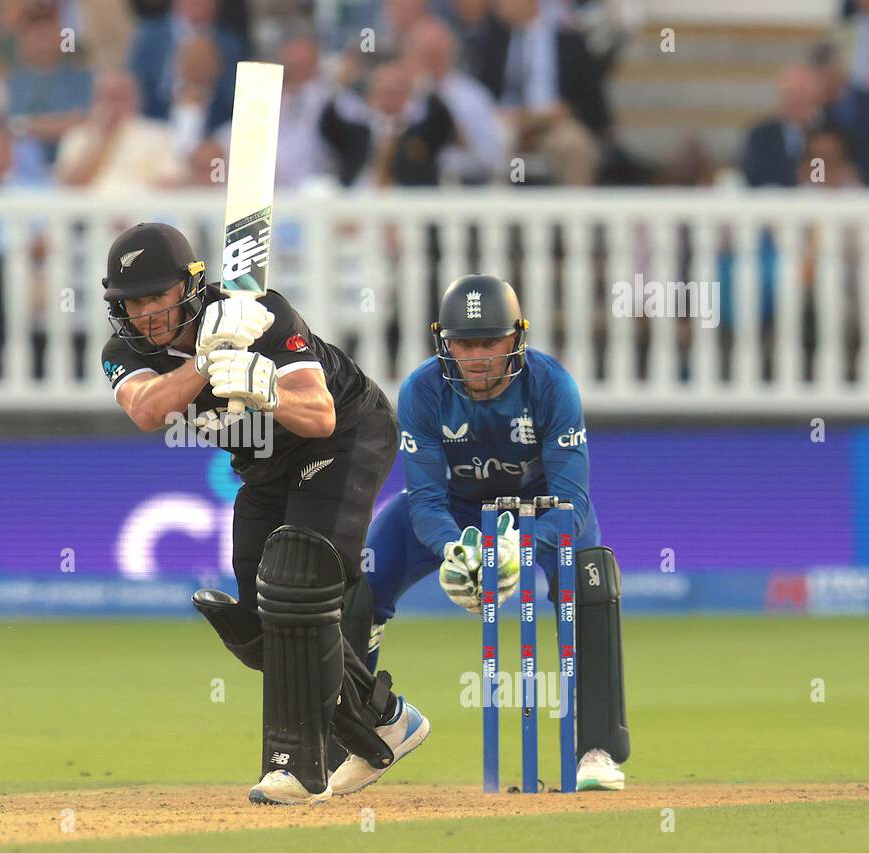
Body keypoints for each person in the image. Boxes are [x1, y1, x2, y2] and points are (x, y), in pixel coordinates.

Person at [99, 222, 429, 804]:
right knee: (260, 623)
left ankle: (297, 769)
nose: (146, 313)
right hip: (265, 468)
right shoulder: (122, 353)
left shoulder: (262, 313)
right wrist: (209, 361)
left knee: (299, 581)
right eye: (132, 303)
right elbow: (149, 411)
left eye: (157, 296)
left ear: (190, 285)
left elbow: (321, 414)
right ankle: (386, 722)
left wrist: (266, 388)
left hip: (347, 438)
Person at [365, 274, 630, 791]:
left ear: (516, 338)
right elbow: (424, 498)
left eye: (491, 342)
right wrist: (457, 550)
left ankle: (594, 750)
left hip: (542, 511)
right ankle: (357, 734)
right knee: (364, 579)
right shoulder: (423, 389)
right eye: (465, 343)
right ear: (446, 342)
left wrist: (514, 546)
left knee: (592, 579)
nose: (479, 356)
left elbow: (572, 500)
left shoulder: (552, 385)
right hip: (458, 512)